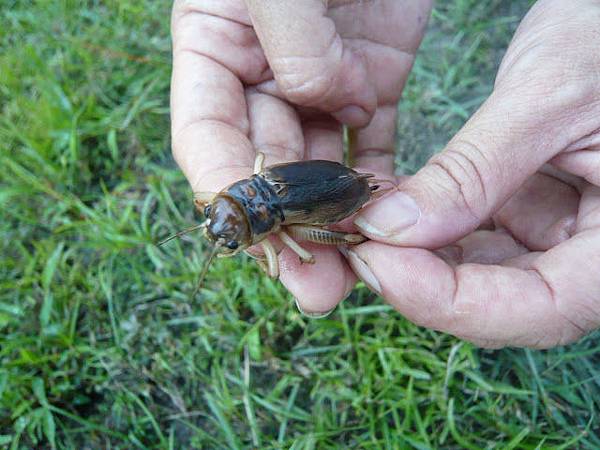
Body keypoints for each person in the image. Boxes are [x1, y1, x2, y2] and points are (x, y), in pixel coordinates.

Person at [170, 0, 600, 349]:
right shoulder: (257, 175)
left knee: (318, 250)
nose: (218, 233)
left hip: (325, 197)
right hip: (314, 180)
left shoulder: (269, 226)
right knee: (313, 250)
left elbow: (290, 258)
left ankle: (370, 230)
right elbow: (269, 193)